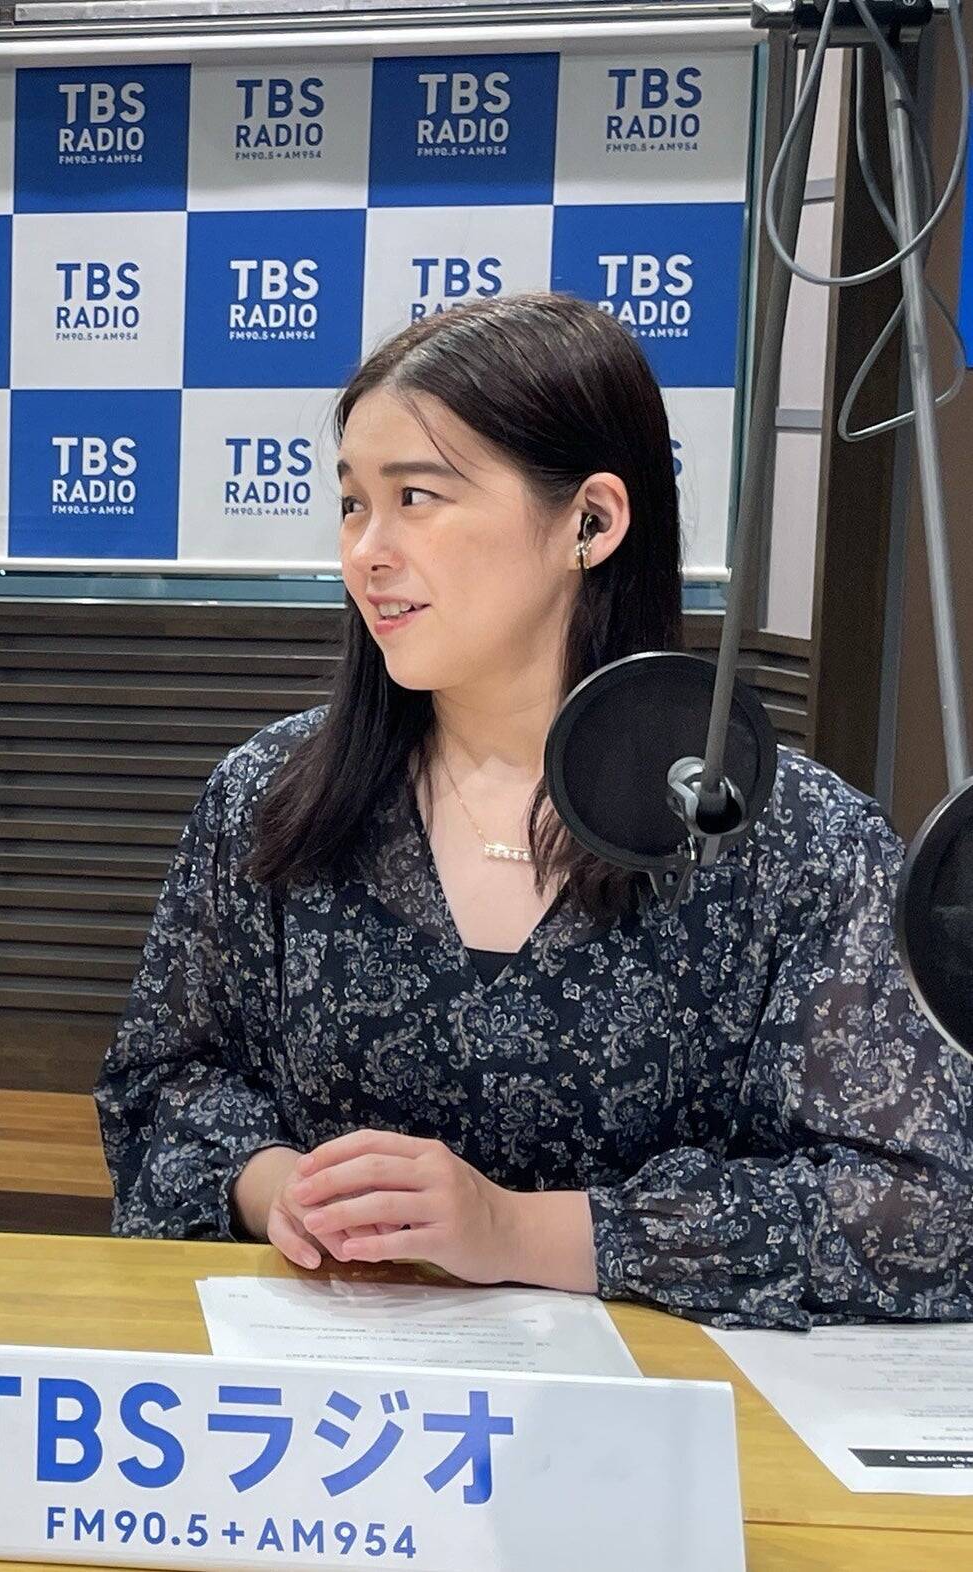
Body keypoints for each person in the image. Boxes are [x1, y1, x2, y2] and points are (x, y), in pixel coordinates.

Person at [95, 291, 973, 1330]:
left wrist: (519, 1231)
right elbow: (159, 1088)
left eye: (416, 498)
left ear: (590, 521)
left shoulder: (793, 840)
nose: (366, 551)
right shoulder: (273, 795)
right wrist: (280, 1186)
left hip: (661, 1411)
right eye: (352, 504)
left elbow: (923, 1210)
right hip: (337, 1398)